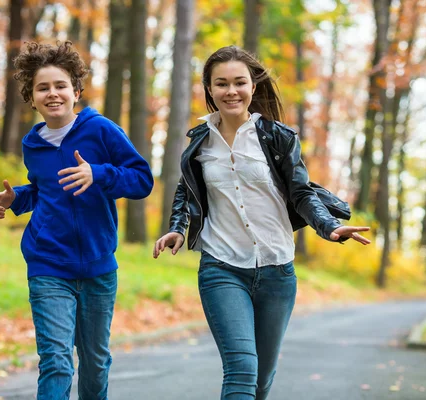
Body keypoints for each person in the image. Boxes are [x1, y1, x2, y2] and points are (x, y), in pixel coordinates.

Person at [153, 45, 370, 400]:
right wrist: (178, 228)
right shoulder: (199, 144)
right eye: (221, 84)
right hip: (221, 268)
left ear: (253, 86)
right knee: (241, 369)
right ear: (209, 89)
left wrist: (329, 226)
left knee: (261, 379)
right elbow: (186, 191)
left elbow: (302, 194)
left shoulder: (278, 138)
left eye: (239, 82)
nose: (230, 91)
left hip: (276, 270)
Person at [0, 41, 153, 400]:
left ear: (76, 91)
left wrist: (99, 173)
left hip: (98, 267)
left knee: (95, 361)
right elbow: (44, 189)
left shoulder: (101, 130)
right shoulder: (32, 144)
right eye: (42, 88)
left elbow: (142, 180)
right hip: (48, 263)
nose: (53, 94)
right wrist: (17, 197)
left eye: (60, 85)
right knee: (56, 361)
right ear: (31, 97)